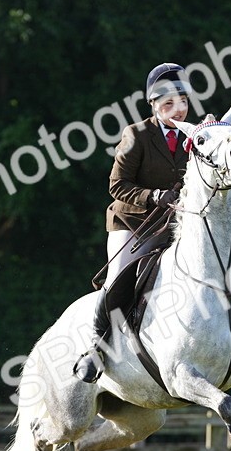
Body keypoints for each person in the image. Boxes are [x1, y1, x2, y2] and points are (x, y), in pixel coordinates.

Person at [73, 62, 191, 383]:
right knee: (117, 278)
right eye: (167, 104)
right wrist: (154, 196)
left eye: (182, 103)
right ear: (153, 105)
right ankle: (96, 348)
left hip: (172, 224)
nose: (177, 111)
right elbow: (117, 185)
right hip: (132, 221)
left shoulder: (194, 135)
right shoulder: (136, 135)